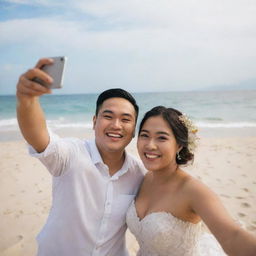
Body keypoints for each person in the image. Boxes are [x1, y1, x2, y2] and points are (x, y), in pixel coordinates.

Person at [16, 58, 146, 256]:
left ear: (133, 130)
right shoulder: (70, 155)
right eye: (108, 116)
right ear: (94, 122)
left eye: (126, 119)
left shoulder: (138, 174)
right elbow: (38, 135)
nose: (116, 125)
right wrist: (27, 100)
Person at [126, 106, 256, 256]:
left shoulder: (193, 190)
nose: (150, 145)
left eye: (162, 137)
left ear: (179, 145)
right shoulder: (143, 177)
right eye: (144, 135)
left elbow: (233, 236)